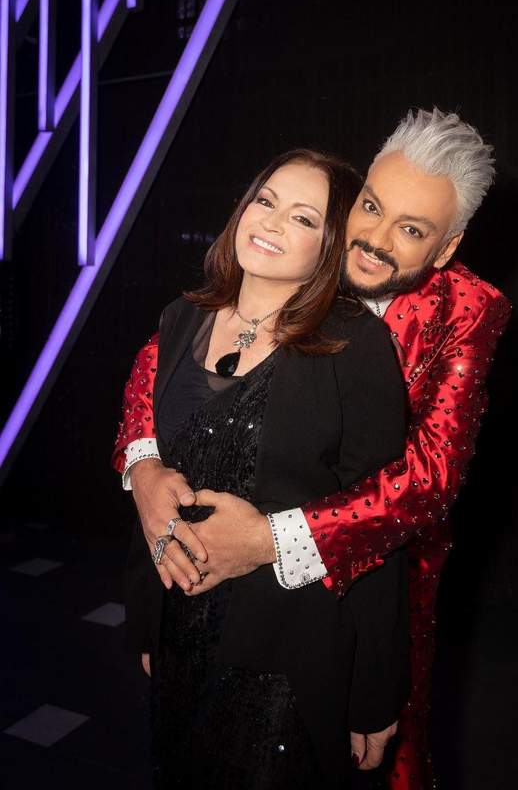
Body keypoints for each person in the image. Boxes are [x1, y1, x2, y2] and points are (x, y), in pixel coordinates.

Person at [113, 109, 512, 789]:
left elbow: (425, 479)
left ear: (445, 249)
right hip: (198, 611)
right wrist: (144, 466)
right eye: (370, 208)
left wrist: (268, 543)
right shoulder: (231, 292)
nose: (374, 241)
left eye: (411, 230)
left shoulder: (458, 312)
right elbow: (156, 373)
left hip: (364, 571)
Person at [120, 148, 411, 789]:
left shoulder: (355, 344)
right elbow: (152, 460)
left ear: (330, 246)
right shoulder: (181, 318)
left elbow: (381, 521)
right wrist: (148, 620)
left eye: (303, 218)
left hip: (288, 649)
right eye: (266, 200)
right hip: (178, 629)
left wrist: (374, 691)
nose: (272, 222)